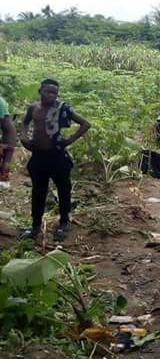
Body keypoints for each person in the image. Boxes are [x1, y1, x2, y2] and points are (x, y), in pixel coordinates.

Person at [19, 79, 90, 241]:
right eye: (48, 91)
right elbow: (25, 123)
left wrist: (70, 140)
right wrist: (23, 137)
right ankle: (35, 226)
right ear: (40, 91)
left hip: (57, 156)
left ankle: (64, 223)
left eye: (55, 92)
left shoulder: (61, 108)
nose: (52, 95)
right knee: (38, 192)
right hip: (38, 157)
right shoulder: (33, 108)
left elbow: (85, 123)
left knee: (64, 191)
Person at [0, 95, 16, 182]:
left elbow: (8, 129)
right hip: (8, 137)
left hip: (8, 137)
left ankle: (3, 176)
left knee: (5, 165)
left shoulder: (0, 102)